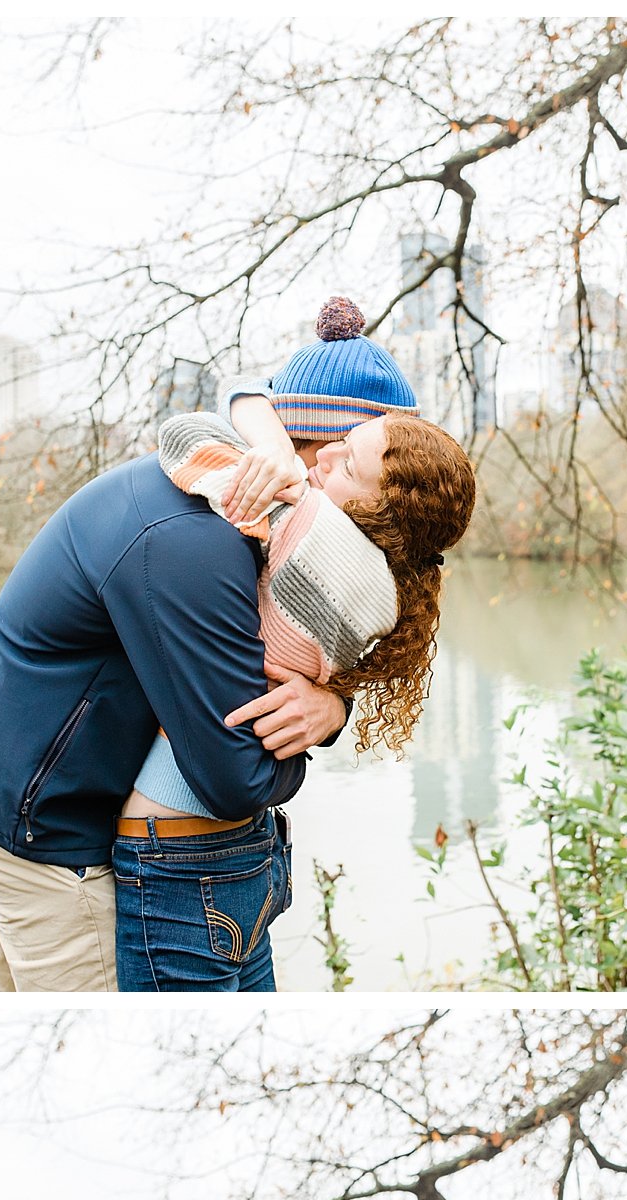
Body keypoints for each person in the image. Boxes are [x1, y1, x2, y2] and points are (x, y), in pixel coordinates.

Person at [114, 300, 478, 991]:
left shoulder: (299, 527)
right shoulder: (394, 590)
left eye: (346, 459)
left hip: (174, 850)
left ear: (376, 503)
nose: (321, 465)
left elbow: (188, 435)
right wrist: (335, 706)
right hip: (247, 848)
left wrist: (265, 443)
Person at [0, 408, 352, 992]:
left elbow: (278, 678)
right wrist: (297, 756)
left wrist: (333, 710)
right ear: (313, 451)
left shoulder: (211, 481)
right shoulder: (199, 538)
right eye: (346, 456)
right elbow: (233, 781)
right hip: (43, 827)